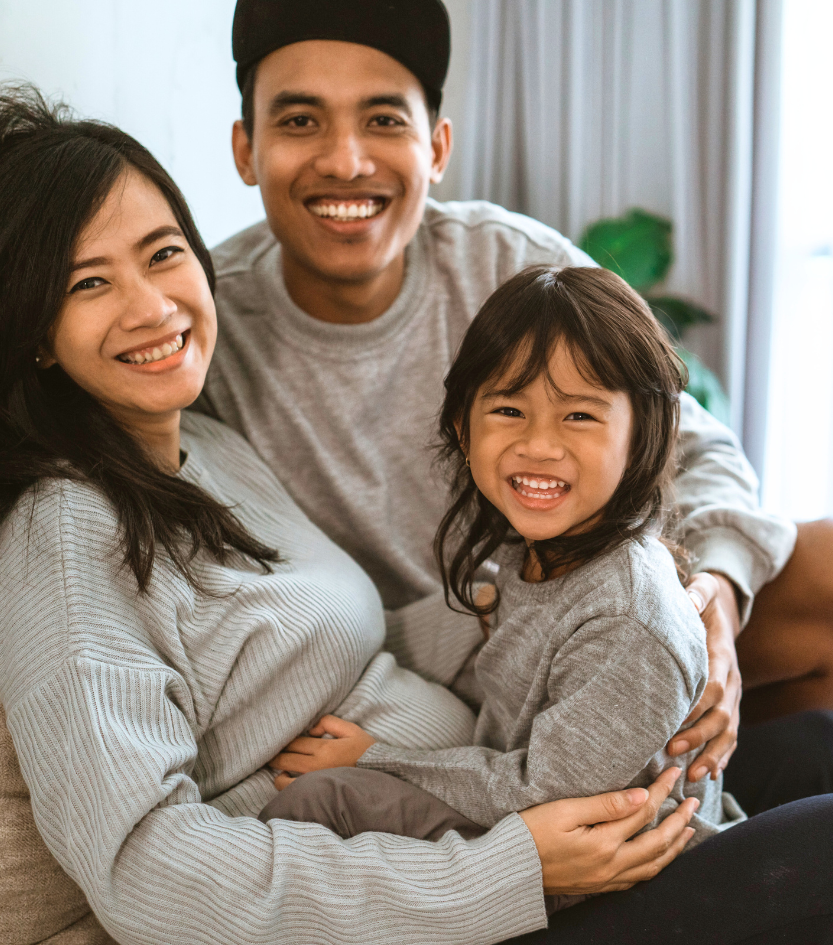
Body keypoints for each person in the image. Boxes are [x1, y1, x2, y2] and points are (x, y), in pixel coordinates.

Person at [0, 85, 833, 945]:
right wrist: (507, 870)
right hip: (466, 876)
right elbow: (147, 869)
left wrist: (578, 592)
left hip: (494, 792)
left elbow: (382, 630)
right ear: (30, 332)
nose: (152, 307)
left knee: (809, 749)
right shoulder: (63, 535)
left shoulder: (205, 450)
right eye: (88, 282)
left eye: (161, 254)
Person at [197, 0, 833, 812]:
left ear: (435, 147)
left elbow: (692, 443)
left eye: (383, 119)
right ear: (247, 149)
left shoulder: (508, 263)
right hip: (414, 668)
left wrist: (715, 594)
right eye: (300, 120)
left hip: (578, 614)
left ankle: (739, 793)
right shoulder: (199, 328)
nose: (346, 160)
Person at [260, 266, 746, 916]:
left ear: (641, 433)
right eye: (508, 410)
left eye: (579, 414)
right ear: (463, 427)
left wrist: (379, 758)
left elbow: (545, 798)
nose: (538, 444)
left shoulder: (630, 617)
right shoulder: (533, 555)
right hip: (537, 823)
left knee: (318, 801)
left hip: (623, 894)